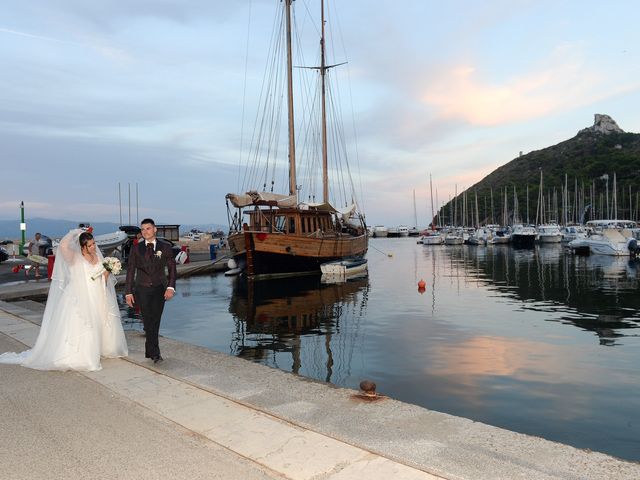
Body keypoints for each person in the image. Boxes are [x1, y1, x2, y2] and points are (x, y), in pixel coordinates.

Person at [0, 229, 128, 371]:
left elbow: (102, 278)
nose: (93, 247)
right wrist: (75, 232)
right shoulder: (74, 257)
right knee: (83, 324)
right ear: (82, 246)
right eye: (90, 245)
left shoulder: (98, 257)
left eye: (93, 244)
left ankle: (99, 348)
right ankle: (81, 355)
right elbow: (62, 246)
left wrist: (109, 269)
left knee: (99, 321)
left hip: (96, 294)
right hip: (78, 296)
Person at [125, 218, 177, 364]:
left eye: (148, 228)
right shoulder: (136, 248)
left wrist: (170, 287)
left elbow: (172, 268)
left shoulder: (165, 247)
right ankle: (155, 352)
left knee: (156, 318)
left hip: (160, 288)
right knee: (148, 319)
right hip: (142, 288)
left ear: (155, 230)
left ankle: (152, 351)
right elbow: (130, 271)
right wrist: (128, 292)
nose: (145, 231)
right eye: (143, 229)